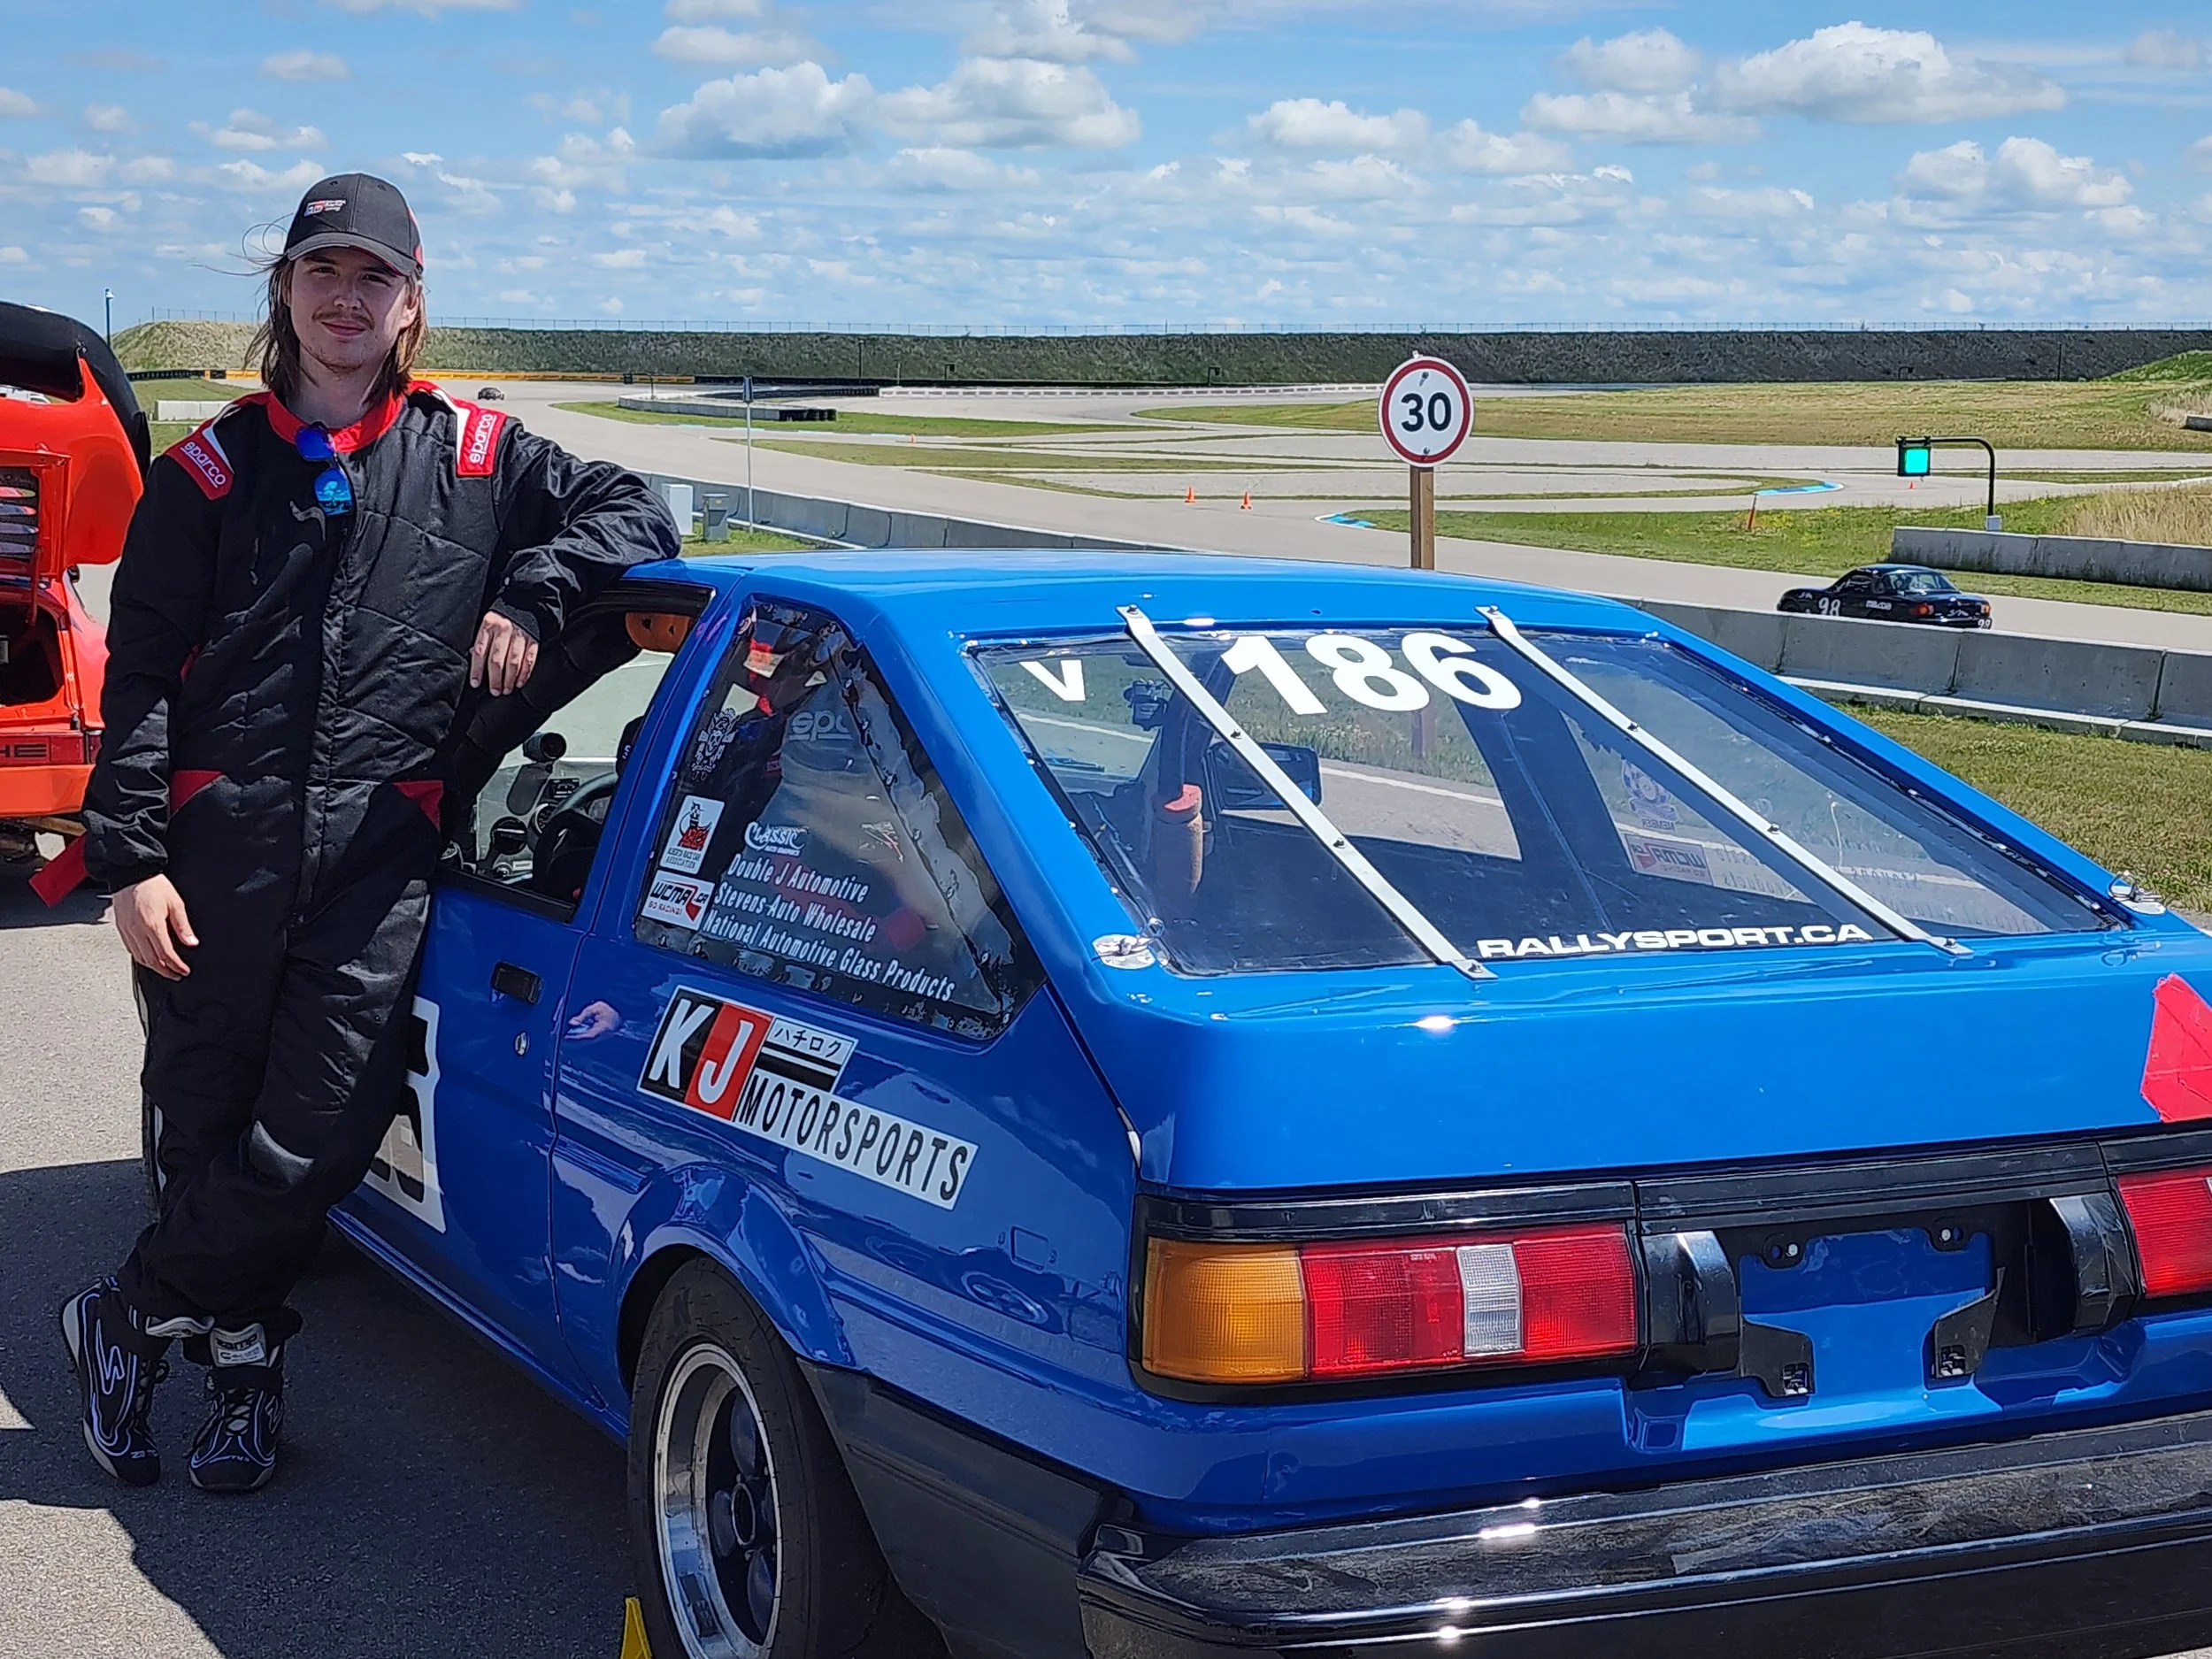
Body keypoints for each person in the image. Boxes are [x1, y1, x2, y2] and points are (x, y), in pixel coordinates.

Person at [58, 173, 680, 1494]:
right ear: (284, 290)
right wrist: (132, 861)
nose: (348, 298)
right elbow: (143, 680)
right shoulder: (205, 475)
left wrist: (535, 580)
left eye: (375, 278)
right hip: (215, 855)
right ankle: (237, 1370)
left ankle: (128, 1308)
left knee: (325, 1132)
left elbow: (640, 517)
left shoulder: (477, 457)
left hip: (375, 857)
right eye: (324, 272)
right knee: (206, 1122)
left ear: (412, 305)